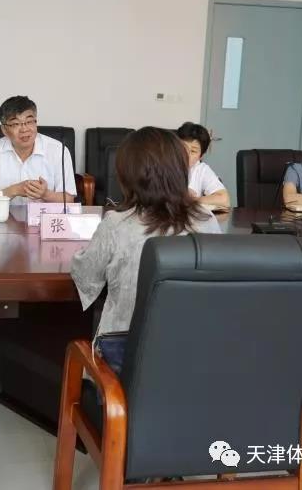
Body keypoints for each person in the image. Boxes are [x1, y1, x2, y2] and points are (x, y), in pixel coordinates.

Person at [71, 127, 221, 375]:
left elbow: (86, 278)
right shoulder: (206, 219)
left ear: (128, 175)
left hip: (123, 364)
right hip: (194, 361)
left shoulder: (116, 223)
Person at [0, 96, 76, 206]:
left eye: (29, 121)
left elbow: (69, 199)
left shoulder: (58, 150)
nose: (24, 129)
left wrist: (45, 194)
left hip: (44, 216)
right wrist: (14, 190)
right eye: (16, 124)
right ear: (4, 130)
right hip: (6, 215)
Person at [175, 121, 230, 207]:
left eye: (193, 151)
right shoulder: (162, 164)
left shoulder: (201, 169)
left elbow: (224, 199)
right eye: (182, 148)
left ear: (201, 156)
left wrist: (193, 200)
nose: (186, 154)